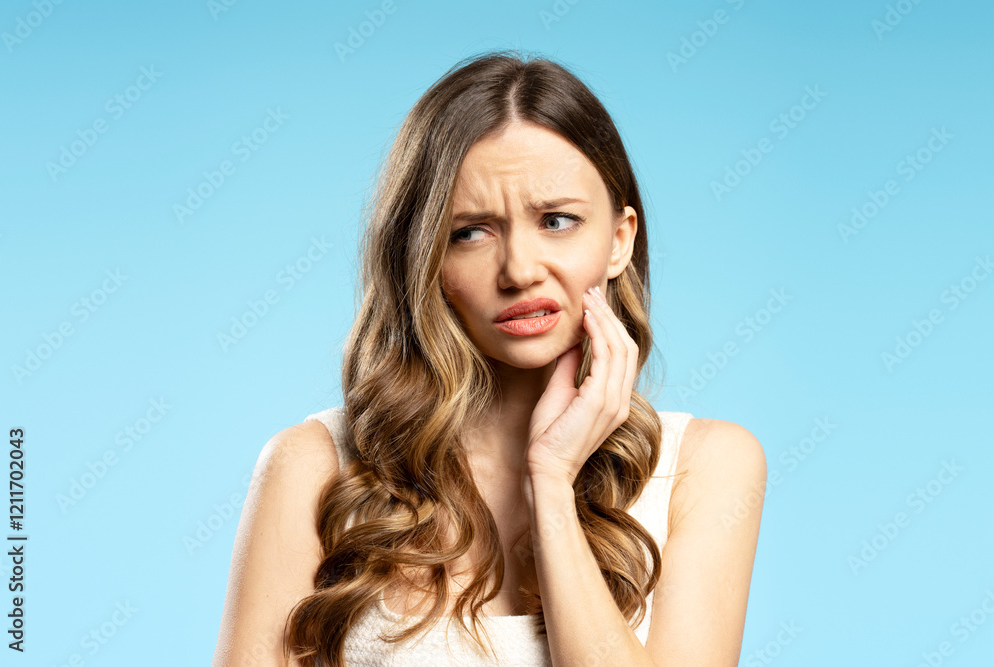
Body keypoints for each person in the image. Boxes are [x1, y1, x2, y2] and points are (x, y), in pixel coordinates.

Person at [213, 50, 766, 667]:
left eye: (557, 221)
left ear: (619, 241)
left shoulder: (705, 468)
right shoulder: (312, 467)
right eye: (470, 232)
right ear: (424, 257)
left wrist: (550, 482)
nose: (520, 270)